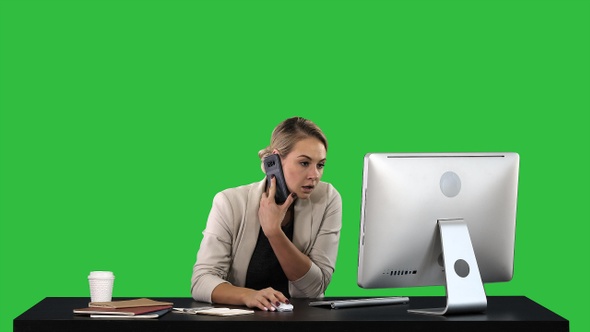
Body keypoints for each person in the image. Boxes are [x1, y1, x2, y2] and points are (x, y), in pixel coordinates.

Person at [191, 116, 342, 311]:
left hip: (304, 321)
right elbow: (201, 281)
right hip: (242, 322)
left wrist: (274, 232)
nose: (315, 175)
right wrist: (249, 295)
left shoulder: (328, 198)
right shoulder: (229, 202)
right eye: (304, 163)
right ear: (276, 160)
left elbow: (314, 288)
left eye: (320, 165)